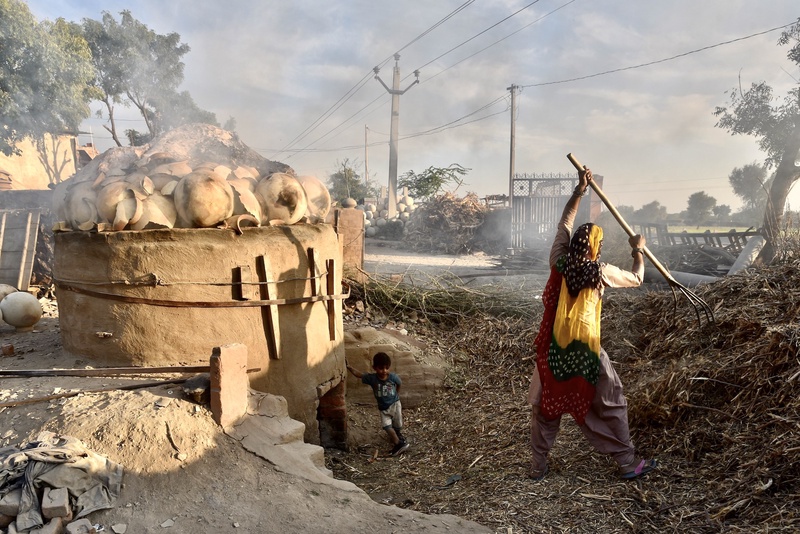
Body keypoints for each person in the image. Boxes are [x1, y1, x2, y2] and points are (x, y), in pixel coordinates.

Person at [527, 167, 657, 481]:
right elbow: (638, 278)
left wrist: (579, 191)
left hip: (553, 350)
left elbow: (564, 223)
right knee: (611, 401)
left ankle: (537, 468)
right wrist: (637, 250)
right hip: (585, 350)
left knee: (545, 407)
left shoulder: (559, 259)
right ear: (595, 248)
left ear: (573, 245)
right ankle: (627, 463)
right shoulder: (600, 271)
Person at [347, 352, 410, 456]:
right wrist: (349, 367)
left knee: (397, 425)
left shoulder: (392, 377)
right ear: (374, 368)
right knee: (386, 426)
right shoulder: (372, 379)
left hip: (395, 404)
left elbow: (399, 383)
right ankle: (399, 444)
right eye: (381, 368)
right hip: (383, 408)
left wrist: (396, 395)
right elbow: (359, 375)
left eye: (386, 368)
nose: (384, 371)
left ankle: (398, 436)